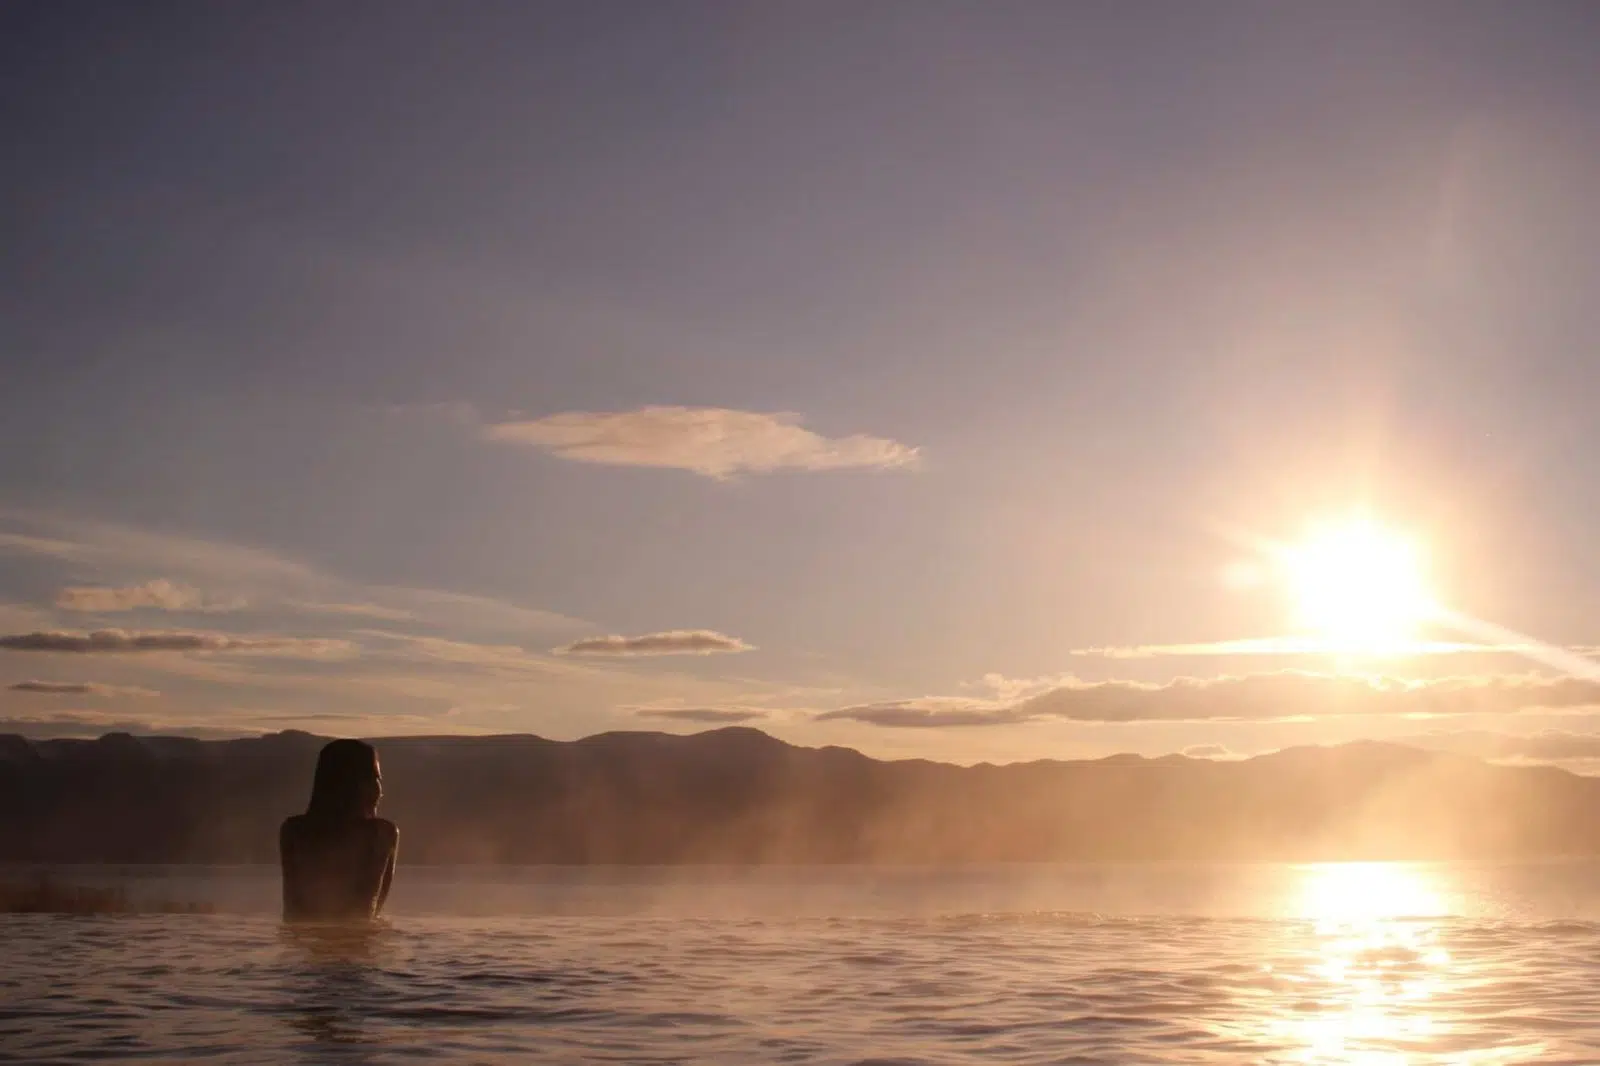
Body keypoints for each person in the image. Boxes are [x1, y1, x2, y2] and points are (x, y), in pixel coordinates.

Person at [280, 739, 398, 922]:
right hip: (360, 941)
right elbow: (373, 911)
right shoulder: (382, 833)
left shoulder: (293, 830)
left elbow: (293, 908)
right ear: (351, 782)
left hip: (305, 944)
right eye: (373, 778)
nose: (379, 789)